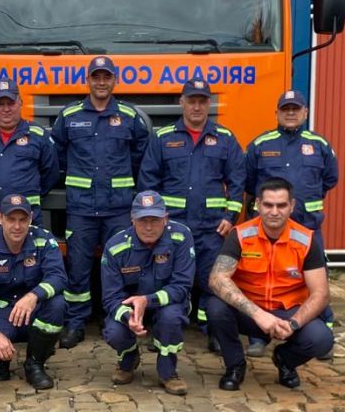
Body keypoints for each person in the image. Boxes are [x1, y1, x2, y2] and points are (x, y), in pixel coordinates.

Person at [138, 78, 245, 352]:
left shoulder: (225, 138)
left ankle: (213, 331)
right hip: (172, 226)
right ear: (182, 102)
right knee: (164, 278)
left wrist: (229, 216)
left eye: (202, 101)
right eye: (191, 100)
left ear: (209, 104)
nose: (197, 106)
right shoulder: (163, 138)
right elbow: (149, 181)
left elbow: (237, 181)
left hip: (211, 227)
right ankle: (163, 330)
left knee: (212, 281)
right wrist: (157, 219)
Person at [51, 56, 150, 349]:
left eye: (107, 76)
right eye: (96, 77)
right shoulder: (68, 116)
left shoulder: (130, 117)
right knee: (78, 268)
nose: (102, 82)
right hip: (81, 208)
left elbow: (141, 160)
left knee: (122, 267)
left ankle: (119, 319)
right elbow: (56, 157)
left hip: (119, 208)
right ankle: (76, 323)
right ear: (88, 80)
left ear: (114, 80)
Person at [207, 177, 333, 391]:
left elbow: (321, 293)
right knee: (215, 308)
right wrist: (259, 315)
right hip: (250, 312)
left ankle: (285, 360)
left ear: (291, 206)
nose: (274, 211)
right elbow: (217, 279)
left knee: (321, 339)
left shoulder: (306, 240)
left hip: (288, 313)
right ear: (257, 204)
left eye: (281, 205)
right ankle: (235, 366)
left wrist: (293, 324)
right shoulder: (240, 235)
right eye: (268, 205)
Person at [244, 89, 338, 358]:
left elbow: (331, 178)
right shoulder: (261, 144)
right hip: (268, 227)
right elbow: (249, 182)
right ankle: (258, 336)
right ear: (277, 113)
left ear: (305, 112)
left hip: (307, 226)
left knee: (315, 280)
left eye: (296, 108)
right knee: (259, 277)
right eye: (285, 108)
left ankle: (322, 330)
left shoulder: (319, 144)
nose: (291, 113)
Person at [0, 194, 67, 390]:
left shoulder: (44, 240)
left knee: (57, 304)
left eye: (23, 220)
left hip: (31, 310)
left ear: (30, 219)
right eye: (11, 219)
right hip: (0, 312)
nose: (17, 226)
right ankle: (0, 364)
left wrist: (33, 296)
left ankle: (35, 363)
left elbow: (59, 277)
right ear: (0, 218)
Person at [101, 191, 195, 395]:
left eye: (155, 220)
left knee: (171, 317)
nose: (149, 227)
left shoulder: (181, 236)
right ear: (132, 219)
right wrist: (128, 317)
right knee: (114, 331)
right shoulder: (115, 246)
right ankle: (128, 357)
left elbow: (182, 286)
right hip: (130, 309)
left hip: (167, 304)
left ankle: (168, 371)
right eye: (143, 220)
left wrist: (147, 300)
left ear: (166, 219)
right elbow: (110, 298)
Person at [0, 77, 59, 233]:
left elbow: (51, 173)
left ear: (20, 102)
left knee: (30, 257)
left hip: (27, 217)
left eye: (11, 103)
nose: (6, 109)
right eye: (0, 104)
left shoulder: (38, 135)